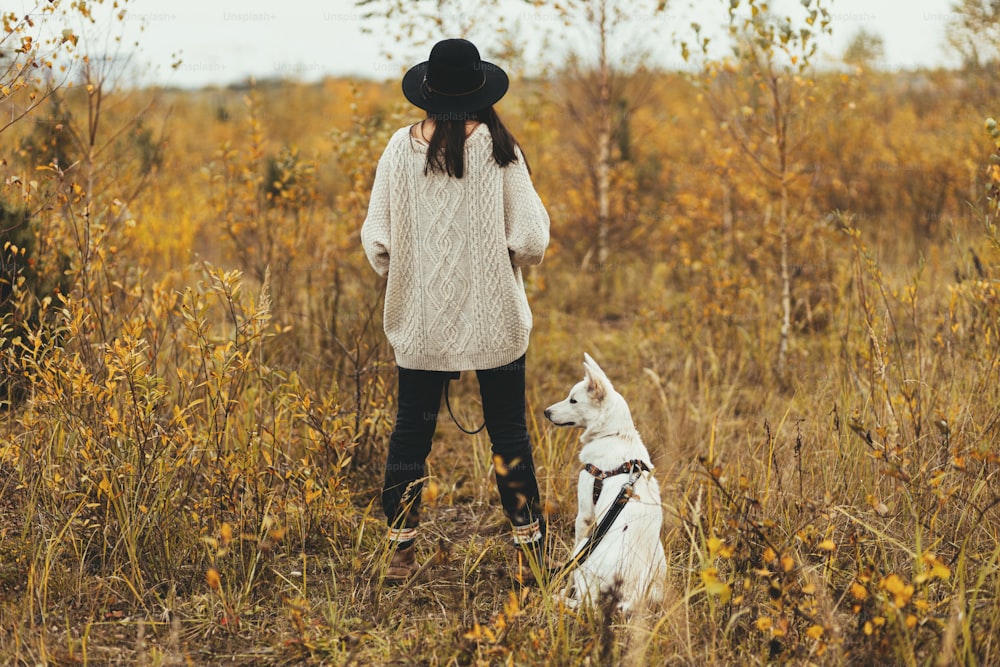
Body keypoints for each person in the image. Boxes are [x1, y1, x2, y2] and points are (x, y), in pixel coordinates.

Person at [361, 38, 551, 586]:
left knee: (409, 436)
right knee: (509, 435)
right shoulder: (500, 148)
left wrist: (416, 277)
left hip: (419, 327)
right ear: (479, 90)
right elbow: (533, 238)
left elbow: (378, 243)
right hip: (496, 324)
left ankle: (400, 554)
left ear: (428, 91)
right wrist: (498, 265)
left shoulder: (399, 148)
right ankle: (529, 555)